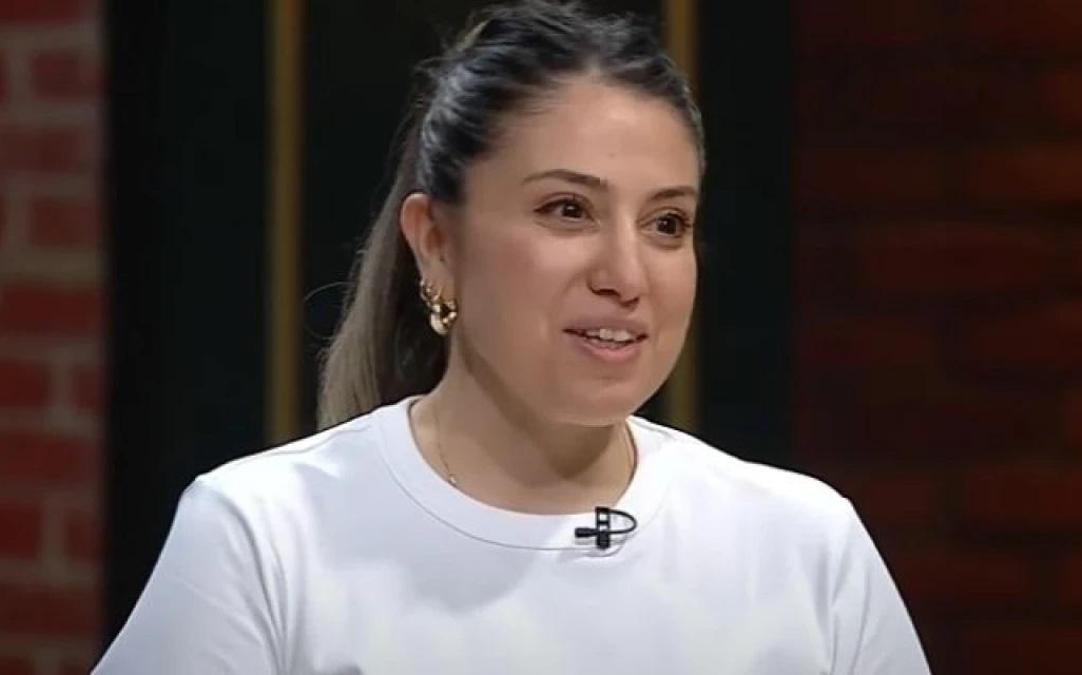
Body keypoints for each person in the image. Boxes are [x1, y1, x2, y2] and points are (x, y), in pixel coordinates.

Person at [93, 1, 931, 673]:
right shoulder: (264, 537)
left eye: (667, 223)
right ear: (436, 243)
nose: (626, 274)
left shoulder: (805, 548)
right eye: (568, 209)